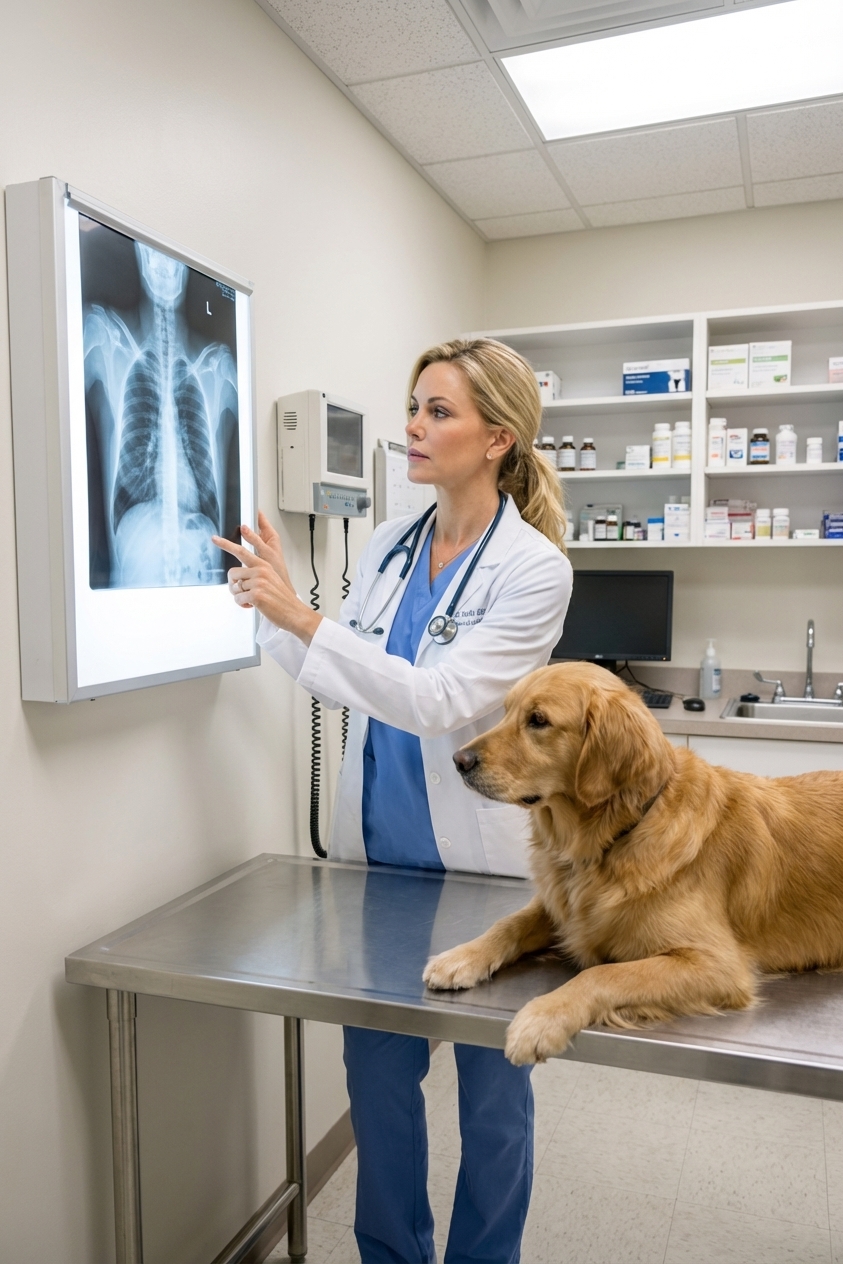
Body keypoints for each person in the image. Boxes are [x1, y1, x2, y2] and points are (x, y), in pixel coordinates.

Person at [214, 338, 572, 1264]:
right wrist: (268, 610)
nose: (412, 428)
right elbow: (348, 679)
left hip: (487, 877)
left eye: (438, 412)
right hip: (377, 868)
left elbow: (440, 701)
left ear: (497, 437)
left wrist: (305, 619)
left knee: (495, 1103)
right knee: (376, 1091)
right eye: (413, 407)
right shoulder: (388, 544)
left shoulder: (532, 570)